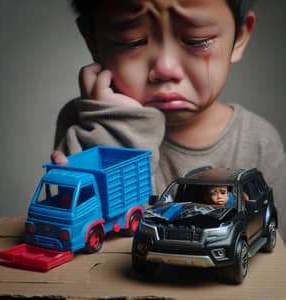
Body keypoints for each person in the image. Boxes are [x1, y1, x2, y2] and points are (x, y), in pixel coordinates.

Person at [51, 0, 286, 243]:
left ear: (239, 37)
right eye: (131, 41)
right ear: (92, 39)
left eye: (197, 40)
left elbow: (272, 249)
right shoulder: (85, 122)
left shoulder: (259, 139)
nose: (165, 68)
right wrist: (116, 127)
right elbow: (93, 238)